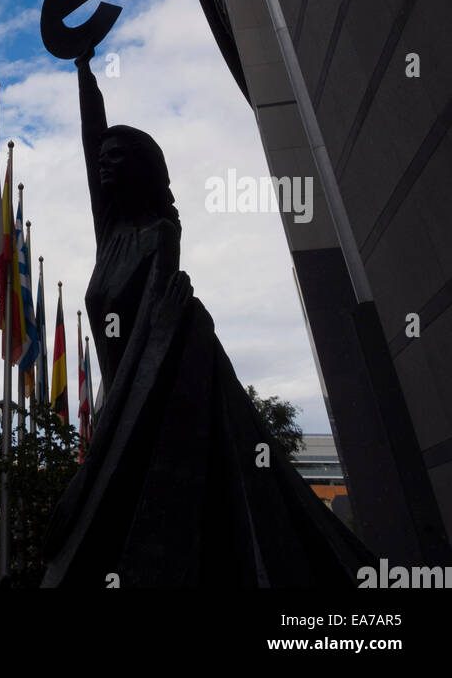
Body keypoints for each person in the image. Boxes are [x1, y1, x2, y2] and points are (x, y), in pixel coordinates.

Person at [40, 51, 374, 587]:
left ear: (144, 169)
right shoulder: (111, 237)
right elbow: (89, 143)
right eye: (102, 157)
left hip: (146, 399)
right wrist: (84, 73)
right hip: (120, 403)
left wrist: (92, 464)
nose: (103, 164)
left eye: (117, 156)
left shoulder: (157, 236)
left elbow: (150, 342)